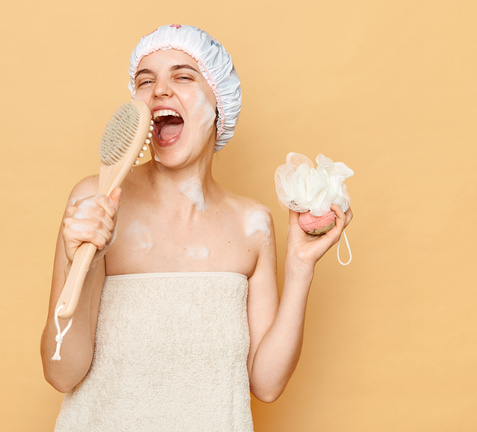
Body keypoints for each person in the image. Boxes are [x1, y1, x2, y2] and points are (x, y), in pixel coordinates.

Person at [40, 24, 353, 431]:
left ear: (219, 103)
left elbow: (267, 384)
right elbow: (62, 373)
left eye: (183, 76)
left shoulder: (252, 224)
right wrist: (77, 261)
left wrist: (300, 266)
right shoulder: (97, 200)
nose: (159, 91)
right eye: (145, 80)